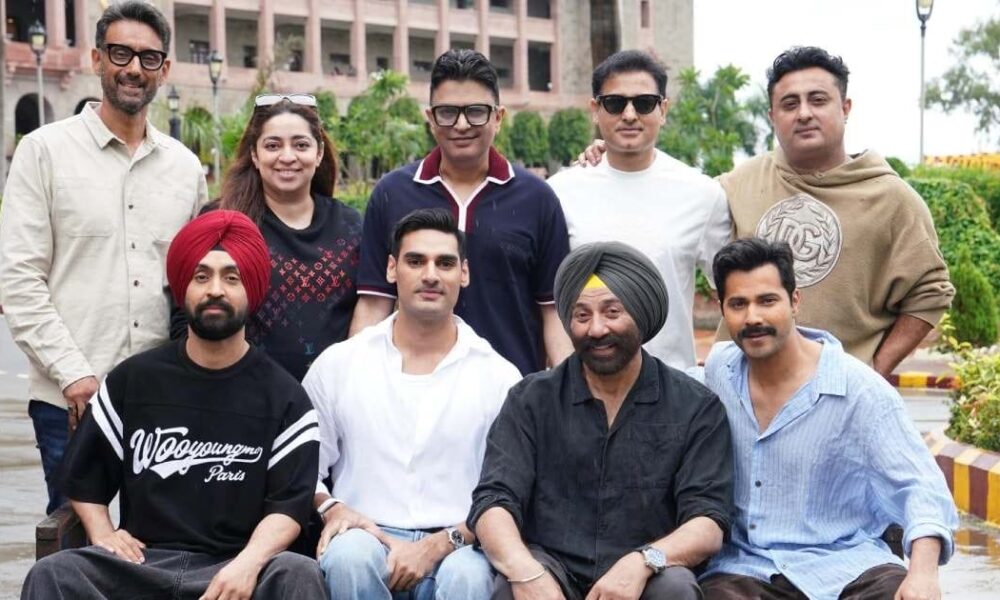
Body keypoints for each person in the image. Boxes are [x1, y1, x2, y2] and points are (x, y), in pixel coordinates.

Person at [577, 46, 954, 378]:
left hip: (837, 394)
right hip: (739, 392)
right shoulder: (736, 185)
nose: (804, 113)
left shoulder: (891, 198)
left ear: (845, 108)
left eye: (818, 100)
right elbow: (666, 193)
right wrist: (610, 154)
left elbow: (931, 291)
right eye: (789, 104)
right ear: (772, 115)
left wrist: (874, 368)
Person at [20, 210, 326, 600]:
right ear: (183, 288)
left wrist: (248, 565)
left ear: (252, 288)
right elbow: (85, 478)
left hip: (234, 567)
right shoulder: (134, 380)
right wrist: (103, 533)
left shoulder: (285, 397)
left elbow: (289, 508)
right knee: (54, 573)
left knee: (298, 573)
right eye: (202, 276)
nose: (215, 290)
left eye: (231, 278)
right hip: (142, 566)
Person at [0, 0, 207, 515]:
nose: (133, 68)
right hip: (69, 402)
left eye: (148, 57)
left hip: (163, 400)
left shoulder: (185, 169)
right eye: (120, 53)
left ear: (165, 69)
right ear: (97, 59)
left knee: (166, 540)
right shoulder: (44, 152)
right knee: (73, 541)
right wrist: (74, 374)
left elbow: (195, 285)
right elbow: (19, 279)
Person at [470, 241, 733, 600]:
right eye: (581, 316)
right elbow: (494, 501)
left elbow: (708, 521)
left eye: (612, 312)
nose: (596, 329)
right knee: (511, 589)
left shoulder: (695, 407)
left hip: (647, 574)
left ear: (641, 313)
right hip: (550, 569)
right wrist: (525, 571)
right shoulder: (530, 400)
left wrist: (644, 561)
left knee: (676, 589)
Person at [699, 237, 958, 600]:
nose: (753, 317)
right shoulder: (719, 372)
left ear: (795, 301)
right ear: (722, 309)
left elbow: (921, 488)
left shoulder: (860, 390)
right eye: (738, 304)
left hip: (846, 565)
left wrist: (923, 574)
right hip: (746, 569)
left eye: (767, 301)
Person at [305, 208, 521, 599]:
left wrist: (441, 543)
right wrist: (332, 509)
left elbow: (512, 492)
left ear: (464, 273)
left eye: (445, 263)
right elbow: (301, 471)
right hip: (365, 535)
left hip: (460, 541)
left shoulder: (499, 377)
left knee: (470, 576)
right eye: (416, 261)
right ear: (391, 269)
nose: (431, 275)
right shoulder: (340, 364)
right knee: (349, 557)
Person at [350, 48, 572, 375]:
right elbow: (373, 302)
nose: (462, 124)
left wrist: (570, 393)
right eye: (448, 112)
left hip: (512, 390)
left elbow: (553, 312)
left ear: (498, 117)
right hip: (411, 388)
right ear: (430, 118)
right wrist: (352, 377)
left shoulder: (537, 198)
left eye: (476, 111)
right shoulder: (392, 193)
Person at [547, 50, 730, 370]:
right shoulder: (559, 192)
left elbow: (734, 292)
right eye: (615, 103)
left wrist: (721, 368)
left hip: (671, 383)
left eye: (644, 103)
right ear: (595, 110)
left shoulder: (703, 194)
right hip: (581, 384)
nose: (629, 114)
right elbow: (545, 303)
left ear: (663, 110)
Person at [176, 92, 362, 381]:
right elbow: (184, 310)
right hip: (241, 391)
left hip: (331, 394)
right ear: (255, 154)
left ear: (319, 152)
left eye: (301, 145)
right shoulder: (222, 221)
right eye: (273, 145)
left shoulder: (351, 226)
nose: (287, 157)